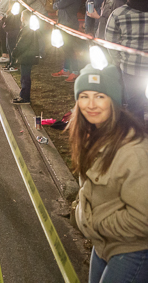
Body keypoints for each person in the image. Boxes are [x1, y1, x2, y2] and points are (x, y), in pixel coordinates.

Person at [69, 64, 148, 283]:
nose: (91, 104)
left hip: (133, 249)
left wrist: (94, 223)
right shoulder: (90, 135)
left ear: (113, 100)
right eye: (84, 96)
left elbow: (144, 219)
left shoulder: (134, 151)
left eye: (100, 96)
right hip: (102, 243)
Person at [105, 0, 148, 123]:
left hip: (131, 68)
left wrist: (119, 60)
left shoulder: (118, 14)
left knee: (134, 105)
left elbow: (110, 42)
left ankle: (137, 138)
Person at [10, 11, 39, 104]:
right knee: (24, 76)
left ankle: (25, 97)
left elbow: (22, 44)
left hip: (27, 56)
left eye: (22, 16)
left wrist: (14, 52)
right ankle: (23, 95)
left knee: (25, 77)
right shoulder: (28, 28)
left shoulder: (27, 30)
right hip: (27, 55)